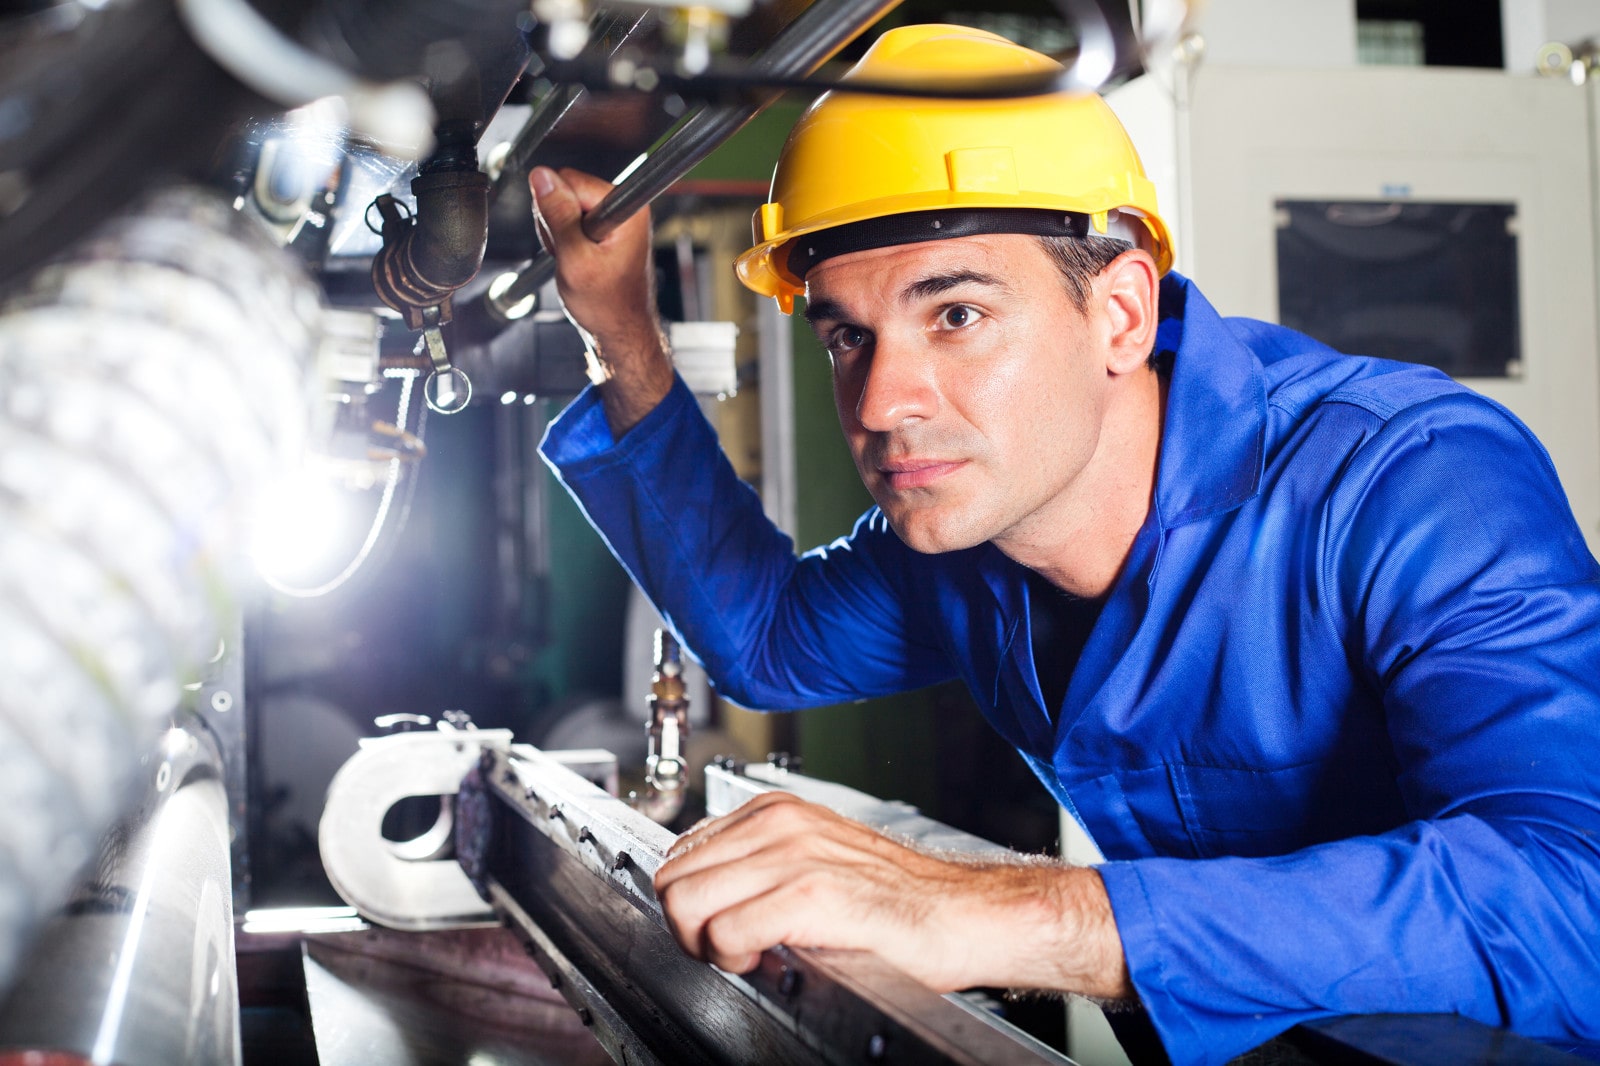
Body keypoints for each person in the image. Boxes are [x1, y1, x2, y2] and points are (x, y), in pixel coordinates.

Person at [531, 23, 1600, 1066]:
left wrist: (1006, 911)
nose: (885, 402)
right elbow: (765, 639)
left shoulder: (1407, 481)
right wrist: (620, 333)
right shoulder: (962, 537)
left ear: (1121, 314)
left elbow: (1574, 899)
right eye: (848, 335)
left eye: (955, 315)